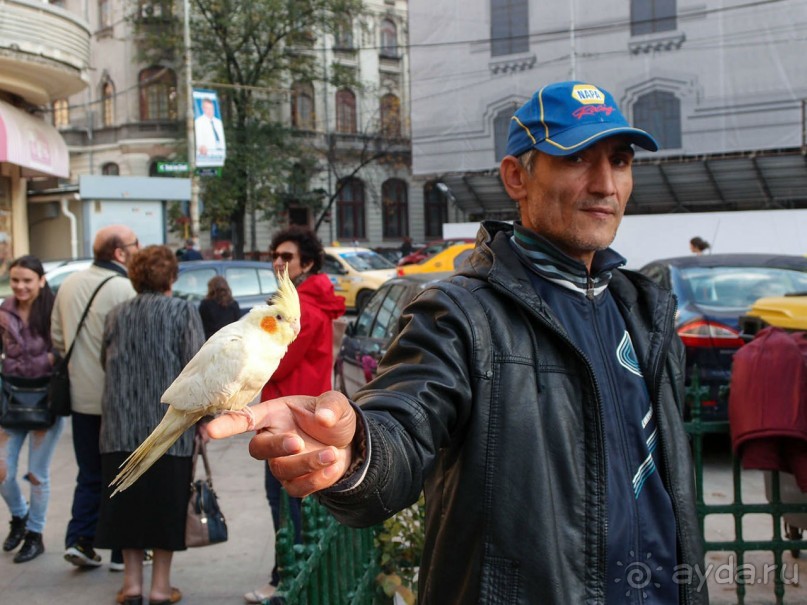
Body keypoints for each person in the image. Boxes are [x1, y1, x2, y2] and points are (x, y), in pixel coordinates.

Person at [208, 81, 708, 604]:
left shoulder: (645, 311)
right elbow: (402, 425)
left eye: (620, 161)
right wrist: (355, 450)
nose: (605, 184)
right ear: (516, 177)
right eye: (577, 158)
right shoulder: (460, 314)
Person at [95, 245, 204, 605]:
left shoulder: (116, 314)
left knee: (126, 504)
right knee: (165, 506)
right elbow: (196, 369)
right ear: (172, 276)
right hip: (168, 431)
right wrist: (206, 419)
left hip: (120, 426)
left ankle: (131, 586)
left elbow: (104, 362)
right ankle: (160, 587)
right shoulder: (184, 311)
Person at [243, 226, 345, 604]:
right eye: (275, 256)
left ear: (308, 264)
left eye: (287, 257)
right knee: (295, 504)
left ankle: (286, 581)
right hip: (296, 417)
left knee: (287, 505)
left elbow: (273, 364)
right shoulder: (301, 304)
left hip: (292, 421)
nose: (278, 263)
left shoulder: (305, 311)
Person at [51, 225, 139, 569]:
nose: (138, 248)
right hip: (117, 401)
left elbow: (58, 338)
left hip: (80, 398)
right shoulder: (125, 288)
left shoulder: (69, 284)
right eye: (134, 244)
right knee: (122, 472)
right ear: (119, 253)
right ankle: (121, 552)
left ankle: (80, 540)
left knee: (88, 472)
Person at [0, 256, 62, 563]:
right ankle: (19, 516)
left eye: (27, 280)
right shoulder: (4, 310)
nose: (20, 286)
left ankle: (35, 535)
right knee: (2, 471)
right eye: (15, 280)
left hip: (44, 402)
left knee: (37, 474)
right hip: (11, 401)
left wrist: (48, 360)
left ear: (41, 280)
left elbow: (62, 350)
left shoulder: (54, 309)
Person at [198, 275, 241, 340]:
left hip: (212, 340)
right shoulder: (234, 304)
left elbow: (201, 327)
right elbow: (239, 325)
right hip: (231, 339)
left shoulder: (205, 304)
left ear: (210, 289)